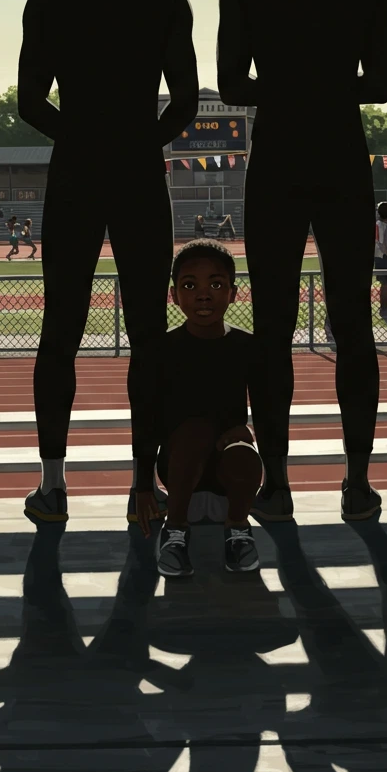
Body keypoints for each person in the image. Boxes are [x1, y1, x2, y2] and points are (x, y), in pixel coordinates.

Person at [18, 0, 199, 525]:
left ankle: (53, 484)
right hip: (139, 175)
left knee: (59, 332)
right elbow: (184, 102)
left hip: (75, 174)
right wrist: (134, 139)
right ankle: (144, 485)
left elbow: (31, 102)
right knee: (149, 335)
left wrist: (83, 135)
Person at [218, 0, 387, 522]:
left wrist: (288, 80)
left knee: (272, 331)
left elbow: (236, 82)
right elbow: (378, 84)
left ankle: (277, 485)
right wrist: (326, 79)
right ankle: (357, 483)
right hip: (342, 156)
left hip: (278, 159)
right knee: (354, 328)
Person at [134, 240, 262, 577]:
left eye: (216, 285)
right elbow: (147, 418)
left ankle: (237, 528)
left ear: (234, 293)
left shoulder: (246, 346)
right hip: (180, 467)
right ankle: (175, 530)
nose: (203, 295)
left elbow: (264, 407)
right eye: (190, 285)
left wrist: (244, 434)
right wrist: (143, 484)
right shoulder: (161, 350)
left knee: (243, 449)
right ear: (174, 295)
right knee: (196, 432)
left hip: (227, 470)